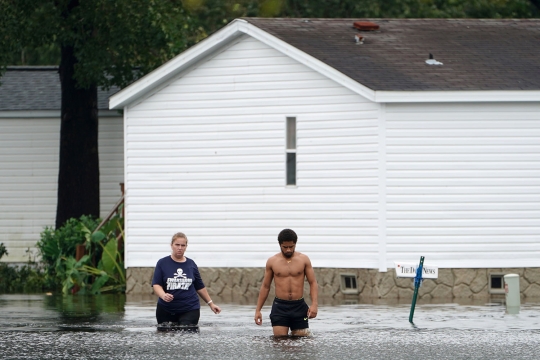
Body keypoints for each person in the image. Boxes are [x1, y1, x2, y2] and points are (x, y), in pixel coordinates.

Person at [254, 229, 318, 336]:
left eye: (291, 247)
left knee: (300, 343)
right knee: (280, 341)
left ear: (295, 244)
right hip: (280, 307)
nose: (288, 250)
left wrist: (314, 304)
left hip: (299, 306)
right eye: (285, 247)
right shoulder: (272, 261)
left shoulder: (304, 259)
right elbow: (265, 286)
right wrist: (258, 310)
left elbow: (313, 282)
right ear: (280, 245)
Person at [152, 232, 221, 327]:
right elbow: (156, 284)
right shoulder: (162, 263)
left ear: (186, 247)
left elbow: (200, 287)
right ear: (171, 245)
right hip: (166, 309)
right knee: (166, 337)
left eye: (183, 245)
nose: (180, 248)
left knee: (187, 333)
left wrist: (211, 304)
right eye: (177, 245)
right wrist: (163, 295)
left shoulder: (191, 264)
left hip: (190, 308)